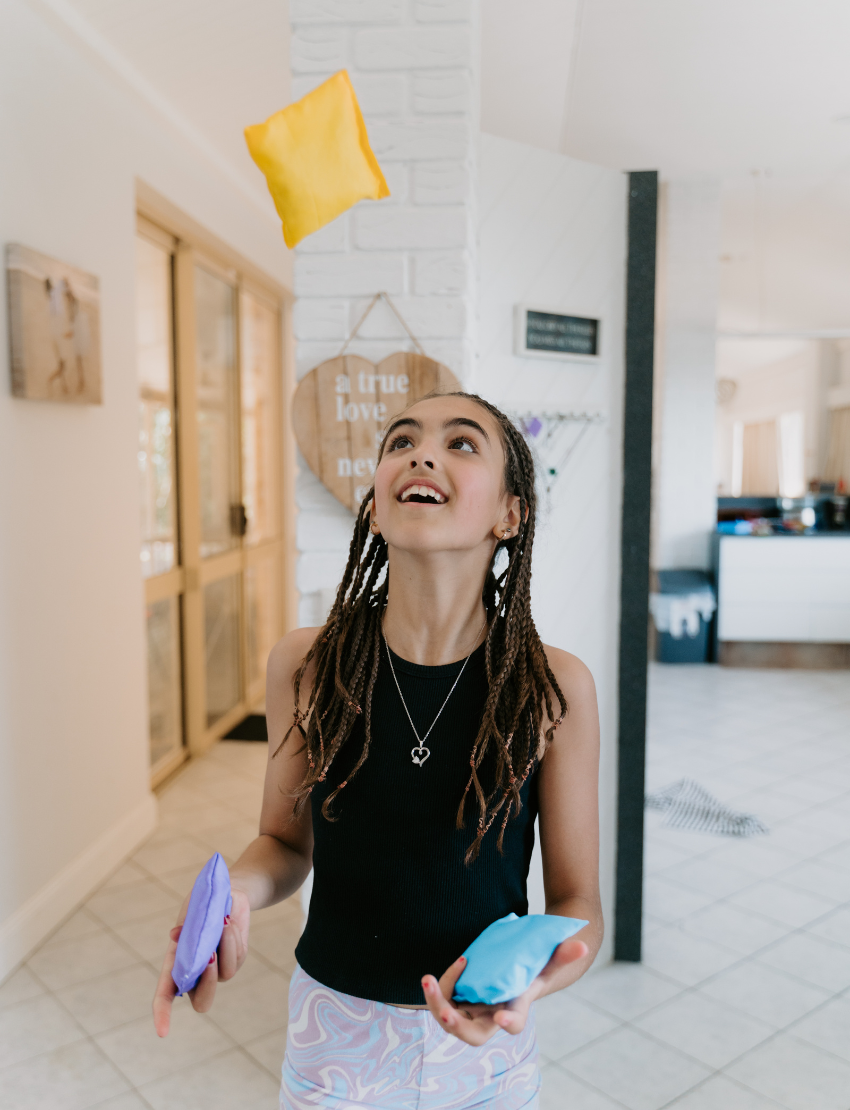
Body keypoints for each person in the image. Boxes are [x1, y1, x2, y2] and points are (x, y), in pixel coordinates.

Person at [153, 391, 603, 1109]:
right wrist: (233, 896)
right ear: (373, 503)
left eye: (461, 443)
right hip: (333, 1035)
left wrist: (533, 983)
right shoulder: (307, 664)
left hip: (487, 1053)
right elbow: (281, 842)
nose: (421, 452)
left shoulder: (554, 689)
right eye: (401, 441)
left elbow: (579, 903)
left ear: (509, 515)